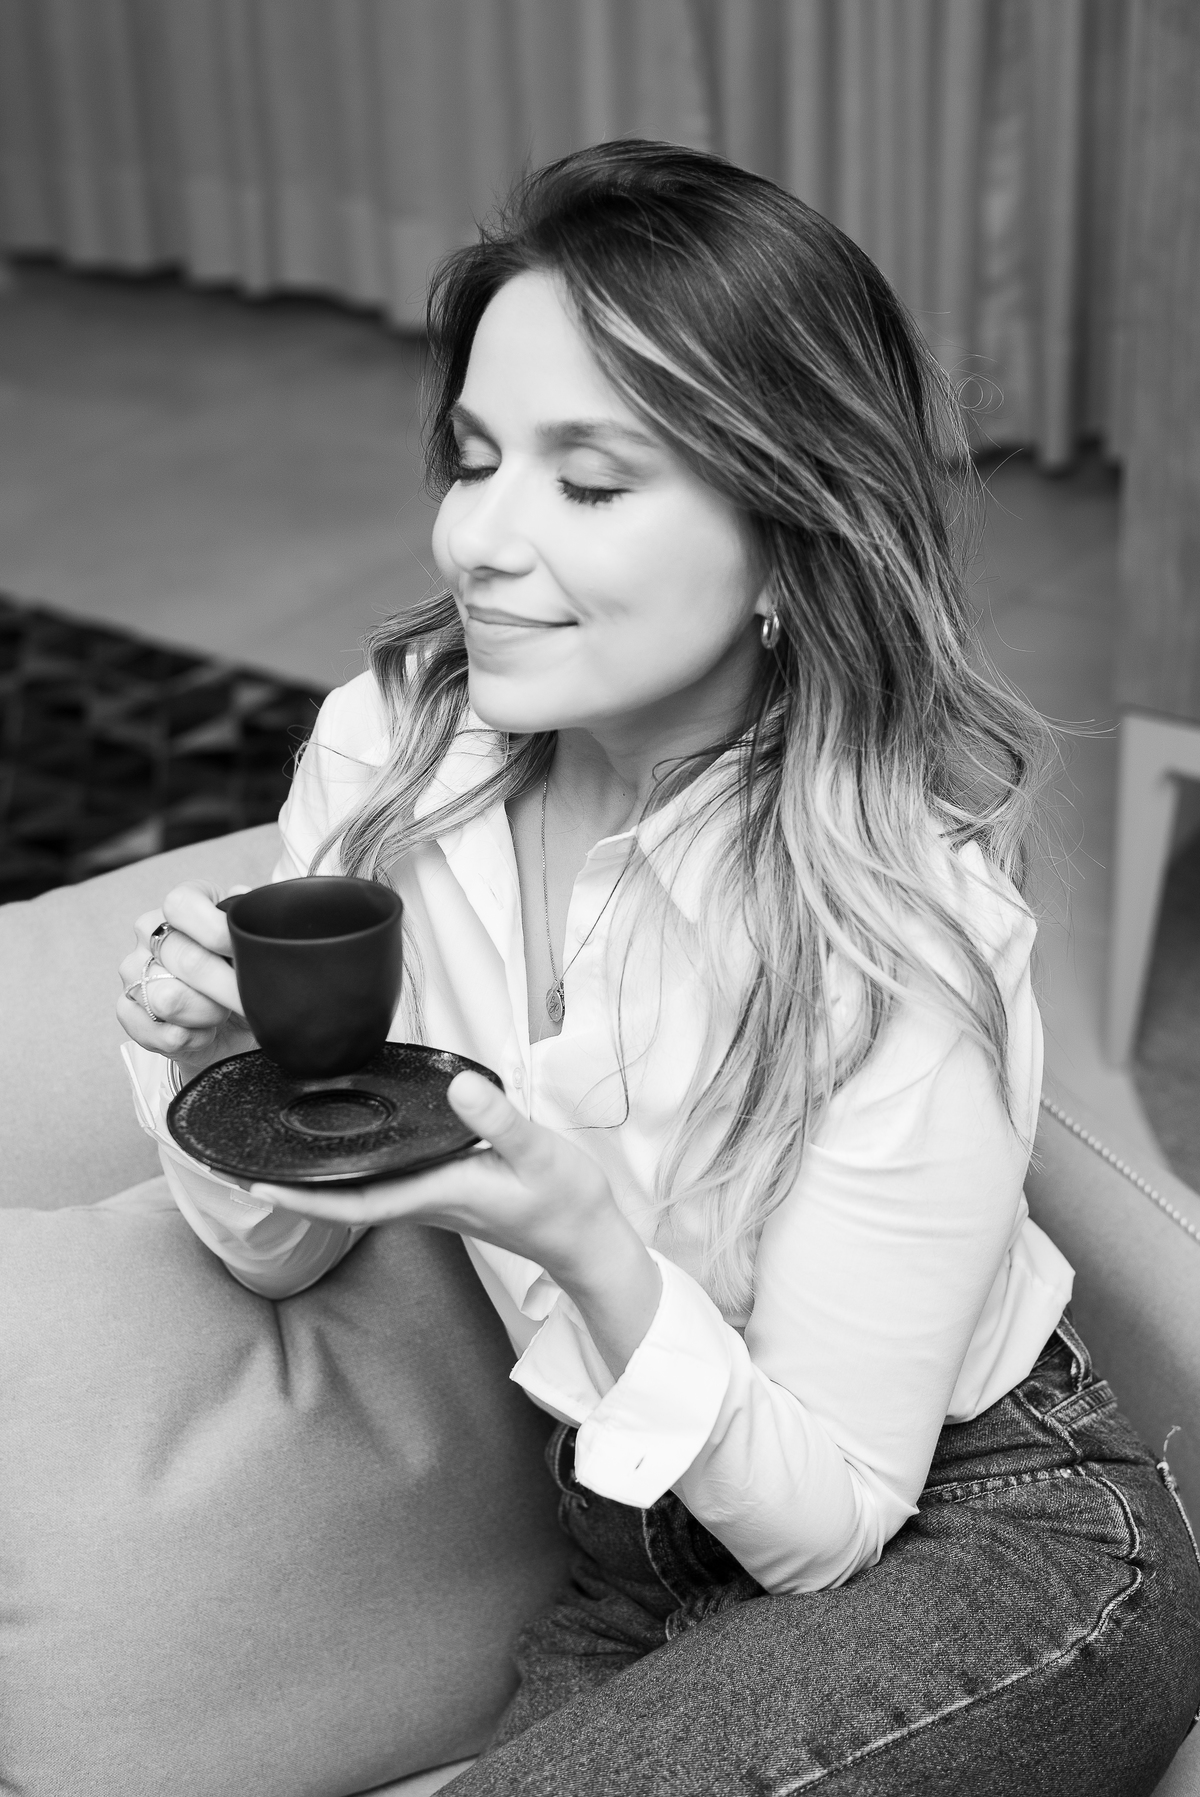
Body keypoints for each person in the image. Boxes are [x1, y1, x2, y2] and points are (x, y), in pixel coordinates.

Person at [117, 141, 1200, 1794]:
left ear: (784, 534)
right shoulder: (392, 754)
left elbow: (830, 1521)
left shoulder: (894, 916)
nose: (479, 539)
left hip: (986, 1537)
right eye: (475, 458)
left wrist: (580, 1237)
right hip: (638, 1555)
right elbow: (280, 1253)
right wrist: (215, 1069)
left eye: (592, 483)